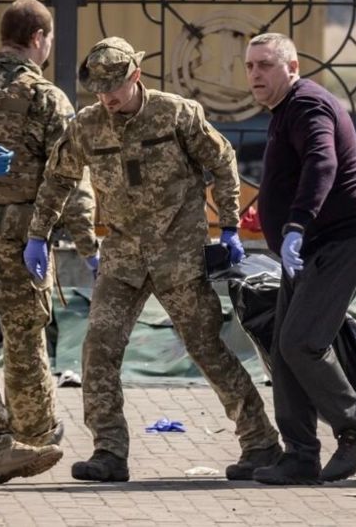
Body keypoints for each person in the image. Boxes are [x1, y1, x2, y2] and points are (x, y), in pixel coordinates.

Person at [24, 36, 280, 483]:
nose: (108, 97)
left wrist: (229, 226)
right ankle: (109, 451)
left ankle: (260, 443)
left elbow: (222, 162)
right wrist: (37, 235)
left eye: (116, 87)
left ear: (136, 76)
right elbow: (57, 180)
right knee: (98, 350)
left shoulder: (177, 114)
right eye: (100, 90)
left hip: (177, 253)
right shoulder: (87, 125)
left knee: (206, 349)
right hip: (122, 257)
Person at [0, 0, 98, 476]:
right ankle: (34, 435)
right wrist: (87, 243)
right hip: (21, 240)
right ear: (39, 39)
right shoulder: (46, 98)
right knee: (23, 337)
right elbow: (70, 176)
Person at [243, 33, 356, 485]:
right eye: (249, 66)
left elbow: (323, 163)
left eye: (265, 64)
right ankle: (300, 455)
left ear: (293, 66)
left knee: (301, 342)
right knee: (283, 350)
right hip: (310, 248)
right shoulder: (285, 110)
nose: (255, 74)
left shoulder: (307, 105)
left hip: (342, 243)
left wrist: (297, 225)